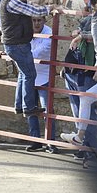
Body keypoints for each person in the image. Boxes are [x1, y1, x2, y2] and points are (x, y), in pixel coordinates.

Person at [0, 0, 62, 116]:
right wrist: (51, 8)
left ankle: (20, 105)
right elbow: (33, 11)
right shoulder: (12, 2)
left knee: (23, 74)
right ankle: (28, 107)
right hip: (17, 44)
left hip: (14, 44)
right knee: (29, 74)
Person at [25, 14, 56, 153]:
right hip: (29, 75)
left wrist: (18, 55)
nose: (36, 23)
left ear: (44, 20)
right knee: (30, 108)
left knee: (47, 110)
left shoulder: (48, 33)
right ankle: (35, 140)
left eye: (39, 20)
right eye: (33, 20)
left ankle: (51, 142)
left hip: (44, 75)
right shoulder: (25, 30)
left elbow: (38, 52)